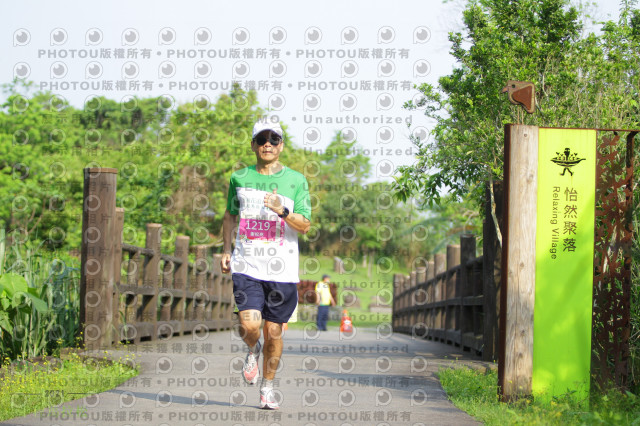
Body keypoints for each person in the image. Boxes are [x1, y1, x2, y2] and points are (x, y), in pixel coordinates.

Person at [221, 117, 311, 410]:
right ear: (253, 145)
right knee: (249, 325)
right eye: (262, 139)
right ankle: (252, 348)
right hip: (246, 263)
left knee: (274, 332)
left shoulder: (296, 180)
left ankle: (267, 387)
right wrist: (226, 249)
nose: (268, 144)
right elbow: (229, 215)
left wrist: (282, 210)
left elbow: (305, 225)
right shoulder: (239, 177)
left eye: (274, 139)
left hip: (282, 269)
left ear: (281, 145)